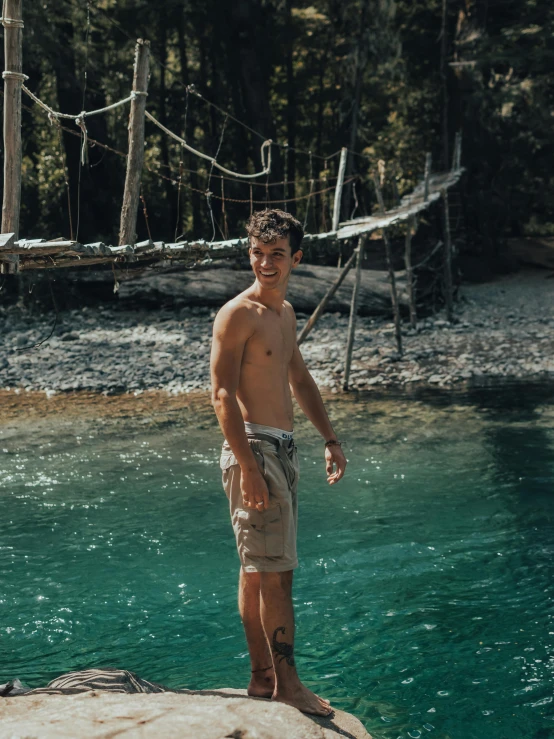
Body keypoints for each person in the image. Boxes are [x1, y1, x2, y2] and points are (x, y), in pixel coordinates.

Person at [210, 208, 347, 717]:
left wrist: (330, 439)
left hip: (281, 452)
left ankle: (262, 677)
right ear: (249, 254)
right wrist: (247, 466)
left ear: (296, 259)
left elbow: (301, 381)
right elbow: (221, 394)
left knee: (256, 571)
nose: (266, 264)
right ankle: (287, 685)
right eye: (257, 253)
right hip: (255, 451)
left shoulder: (285, 314)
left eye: (277, 255)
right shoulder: (237, 314)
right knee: (276, 575)